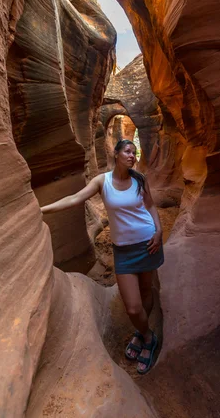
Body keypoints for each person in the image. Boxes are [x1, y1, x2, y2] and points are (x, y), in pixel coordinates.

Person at [40, 139, 164, 374]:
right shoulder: (102, 181)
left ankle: (141, 333)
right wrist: (41, 210)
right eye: (127, 151)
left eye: (134, 153)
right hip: (124, 251)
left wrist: (158, 231)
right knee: (133, 307)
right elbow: (74, 198)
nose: (132, 156)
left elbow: (150, 206)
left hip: (148, 243)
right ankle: (149, 336)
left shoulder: (139, 179)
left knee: (147, 291)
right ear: (116, 153)